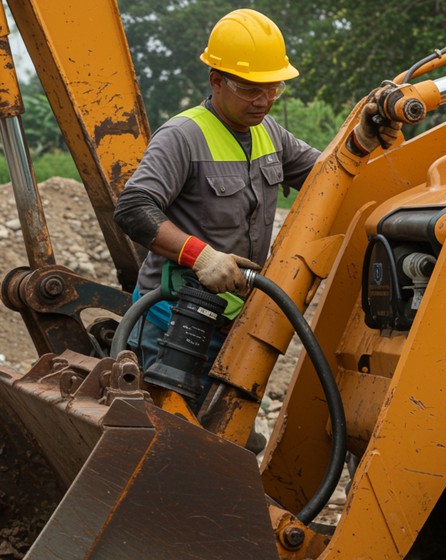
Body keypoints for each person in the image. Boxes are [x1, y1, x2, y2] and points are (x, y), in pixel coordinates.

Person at [114, 8, 400, 407]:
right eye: (251, 89)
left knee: (217, 442)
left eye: (273, 89)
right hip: (172, 322)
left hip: (233, 323)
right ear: (217, 81)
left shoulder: (269, 134)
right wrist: (201, 257)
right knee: (169, 440)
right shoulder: (183, 136)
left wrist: (362, 141)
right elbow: (133, 208)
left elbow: (326, 180)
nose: (264, 100)